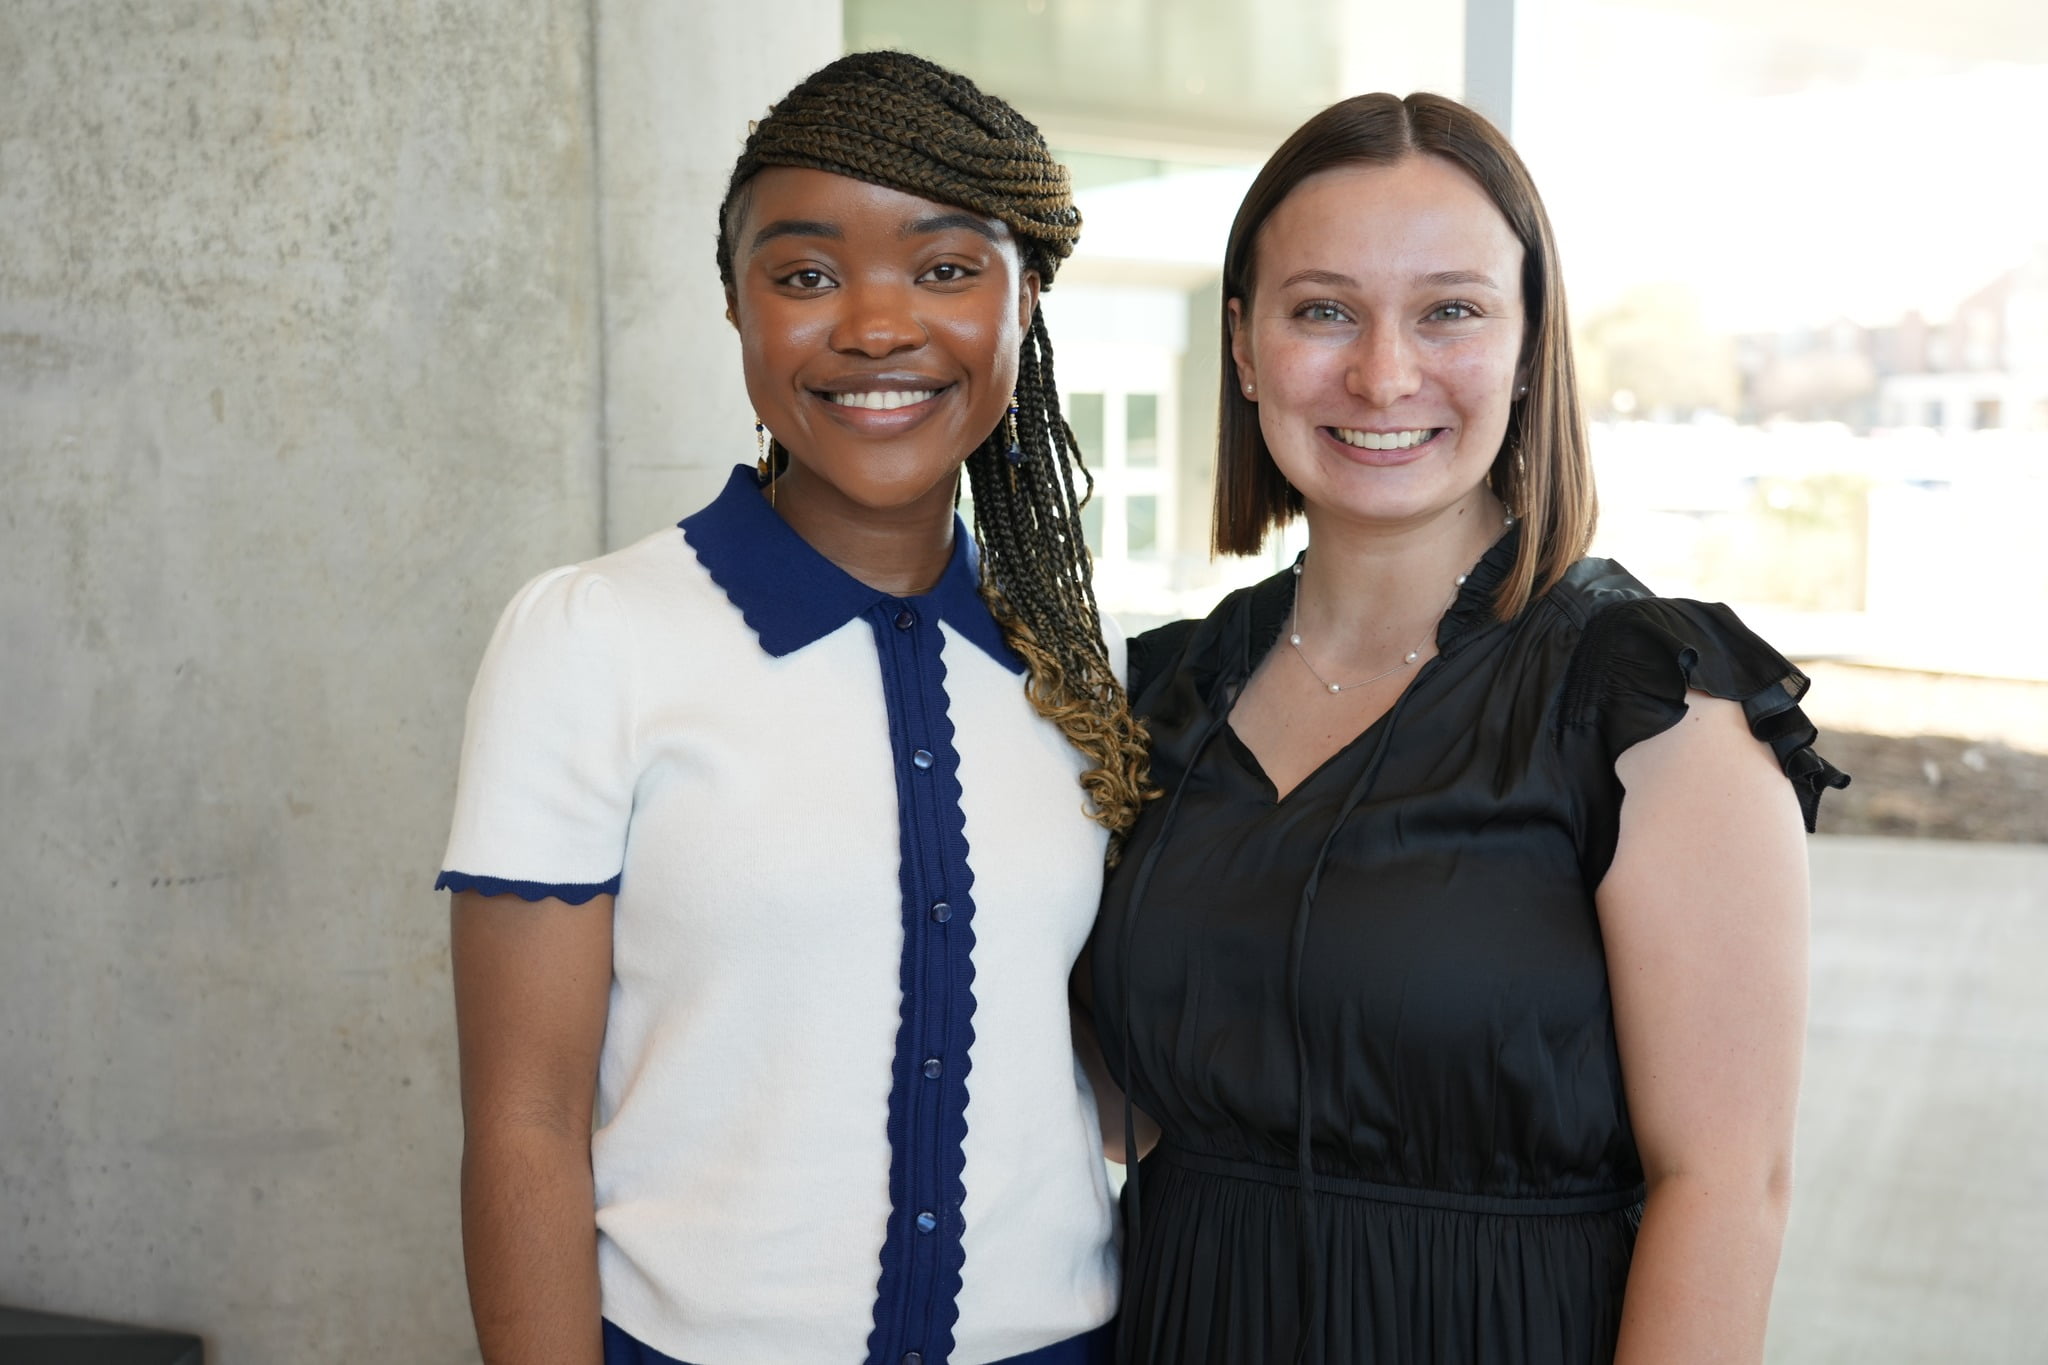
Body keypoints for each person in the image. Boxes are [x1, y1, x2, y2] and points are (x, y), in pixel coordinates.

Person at [1087, 92, 1848, 1365]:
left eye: (1449, 309)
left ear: (1529, 343)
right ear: (1242, 345)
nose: (1383, 373)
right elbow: (1104, 1106)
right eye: (1321, 309)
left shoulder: (1648, 703)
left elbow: (1726, 1191)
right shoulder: (1166, 691)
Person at [437, 51, 1148, 1365]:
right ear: (736, 307)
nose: (877, 327)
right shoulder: (589, 640)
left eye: (945, 268)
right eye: (807, 274)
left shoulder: (1074, 665)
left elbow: (1101, 1059)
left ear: (1025, 297)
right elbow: (524, 1122)